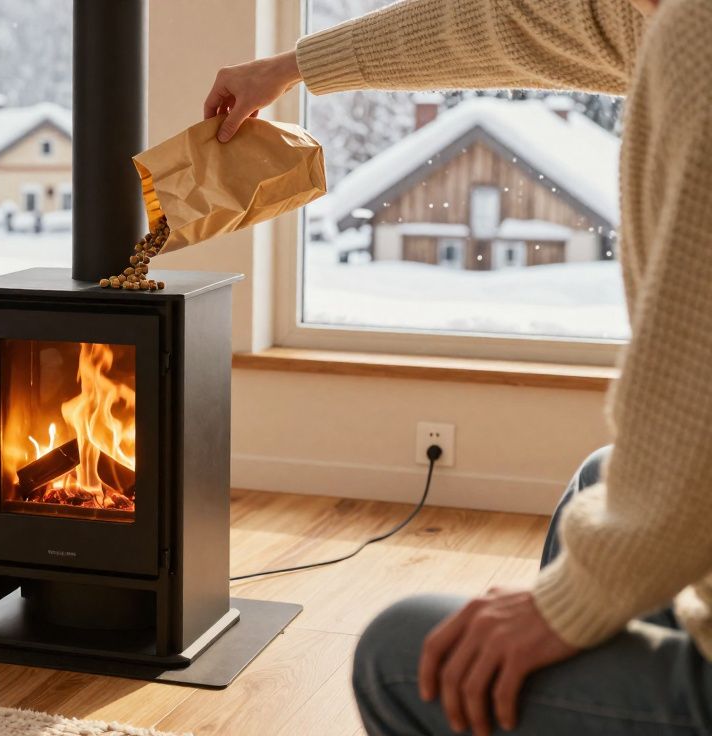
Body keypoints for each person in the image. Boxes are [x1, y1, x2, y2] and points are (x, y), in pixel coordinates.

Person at [205, 0, 712, 733]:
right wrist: (286, 70)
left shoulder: (694, 34)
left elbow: (694, 406)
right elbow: (494, 26)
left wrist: (568, 603)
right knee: (600, 478)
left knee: (400, 654)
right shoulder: (659, 16)